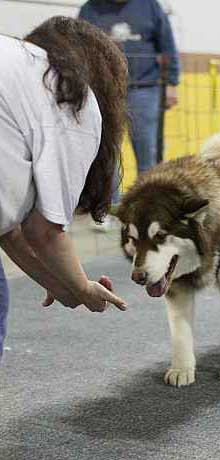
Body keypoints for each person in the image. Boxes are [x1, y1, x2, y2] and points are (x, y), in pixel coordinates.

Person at [0, 17, 129, 362]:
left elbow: (8, 227)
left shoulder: (16, 65)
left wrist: (66, 287)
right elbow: (44, 232)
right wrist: (82, 287)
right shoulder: (71, 96)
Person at [79, 0, 181, 210]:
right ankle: (111, 208)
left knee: (146, 151)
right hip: (104, 92)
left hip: (144, 89)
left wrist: (172, 82)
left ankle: (147, 208)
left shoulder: (149, 6)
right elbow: (79, 49)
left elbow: (168, 45)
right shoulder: (89, 9)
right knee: (108, 153)